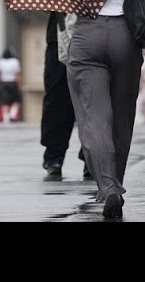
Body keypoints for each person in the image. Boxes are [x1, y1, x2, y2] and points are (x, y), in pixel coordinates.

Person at [67, 0, 145, 219]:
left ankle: (109, 185)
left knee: (95, 119)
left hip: (87, 33)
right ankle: (116, 179)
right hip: (125, 34)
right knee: (122, 116)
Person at [40, 11, 90, 179]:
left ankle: (92, 156)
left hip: (92, 30)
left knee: (93, 98)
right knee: (57, 98)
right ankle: (54, 156)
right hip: (59, 34)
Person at [0, 48, 22, 123]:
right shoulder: (15, 61)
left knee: (4, 101)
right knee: (16, 100)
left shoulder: (0, 62)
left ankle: (6, 118)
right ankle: (12, 114)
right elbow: (17, 74)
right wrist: (19, 84)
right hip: (12, 82)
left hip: (3, 83)